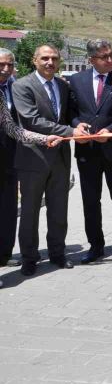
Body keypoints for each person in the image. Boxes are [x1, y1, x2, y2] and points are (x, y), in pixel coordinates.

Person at [13, 44, 89, 276]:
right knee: (30, 211)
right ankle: (29, 258)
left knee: (58, 209)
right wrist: (70, 132)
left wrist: (78, 126)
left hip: (60, 158)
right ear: (34, 60)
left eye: (54, 59)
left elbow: (68, 116)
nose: (50, 63)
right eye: (45, 58)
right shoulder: (22, 85)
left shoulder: (62, 86)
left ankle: (57, 253)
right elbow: (31, 120)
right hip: (32, 158)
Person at [69, 40, 112, 264]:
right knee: (90, 200)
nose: (109, 60)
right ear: (91, 60)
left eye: (111, 55)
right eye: (103, 57)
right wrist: (78, 125)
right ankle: (95, 246)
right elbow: (72, 113)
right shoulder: (76, 80)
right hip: (87, 150)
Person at [0, 48, 61, 274]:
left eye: (9, 65)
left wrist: (45, 138)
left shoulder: (7, 90)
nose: (6, 69)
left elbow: (13, 129)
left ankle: (3, 256)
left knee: (7, 210)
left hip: (9, 157)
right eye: (1, 65)